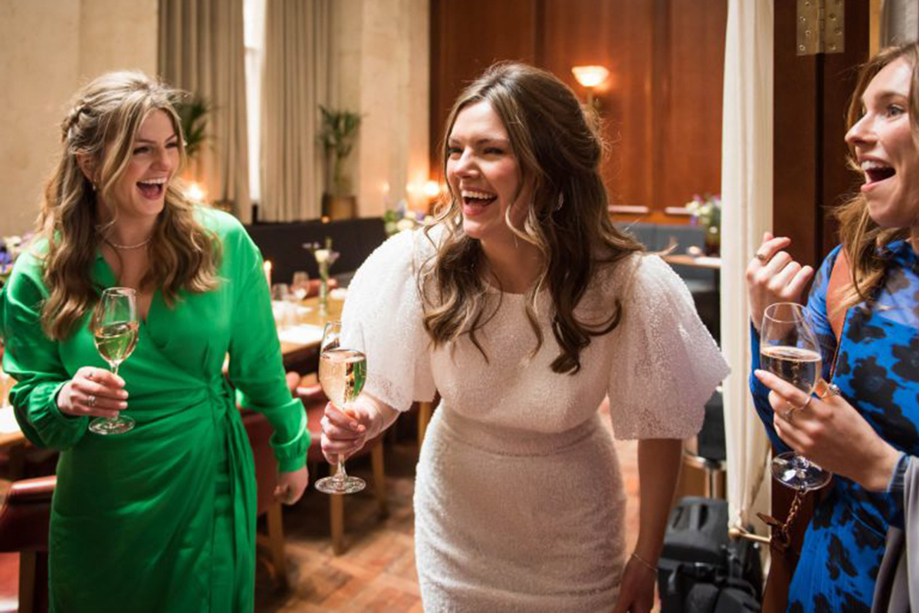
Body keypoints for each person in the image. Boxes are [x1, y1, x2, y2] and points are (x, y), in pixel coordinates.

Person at [321, 62, 729, 611]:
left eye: (490, 151)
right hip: (456, 527)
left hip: (575, 538)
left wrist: (646, 556)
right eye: (455, 150)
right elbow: (385, 385)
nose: (463, 168)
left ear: (551, 167)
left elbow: (663, 428)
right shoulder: (420, 264)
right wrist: (363, 419)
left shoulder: (627, 284)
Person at [1, 71, 309, 612]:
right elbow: (30, 398)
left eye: (170, 146)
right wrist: (62, 398)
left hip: (204, 474)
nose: (164, 165)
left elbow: (259, 365)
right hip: (101, 494)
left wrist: (291, 449)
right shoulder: (38, 270)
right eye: (141, 150)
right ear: (90, 164)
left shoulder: (222, 242)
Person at [747, 42, 919, 611]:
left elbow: (865, 460)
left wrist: (883, 469)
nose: (854, 132)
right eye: (863, 109)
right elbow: (796, 443)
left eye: (892, 109)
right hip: (825, 582)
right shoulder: (853, 264)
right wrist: (770, 333)